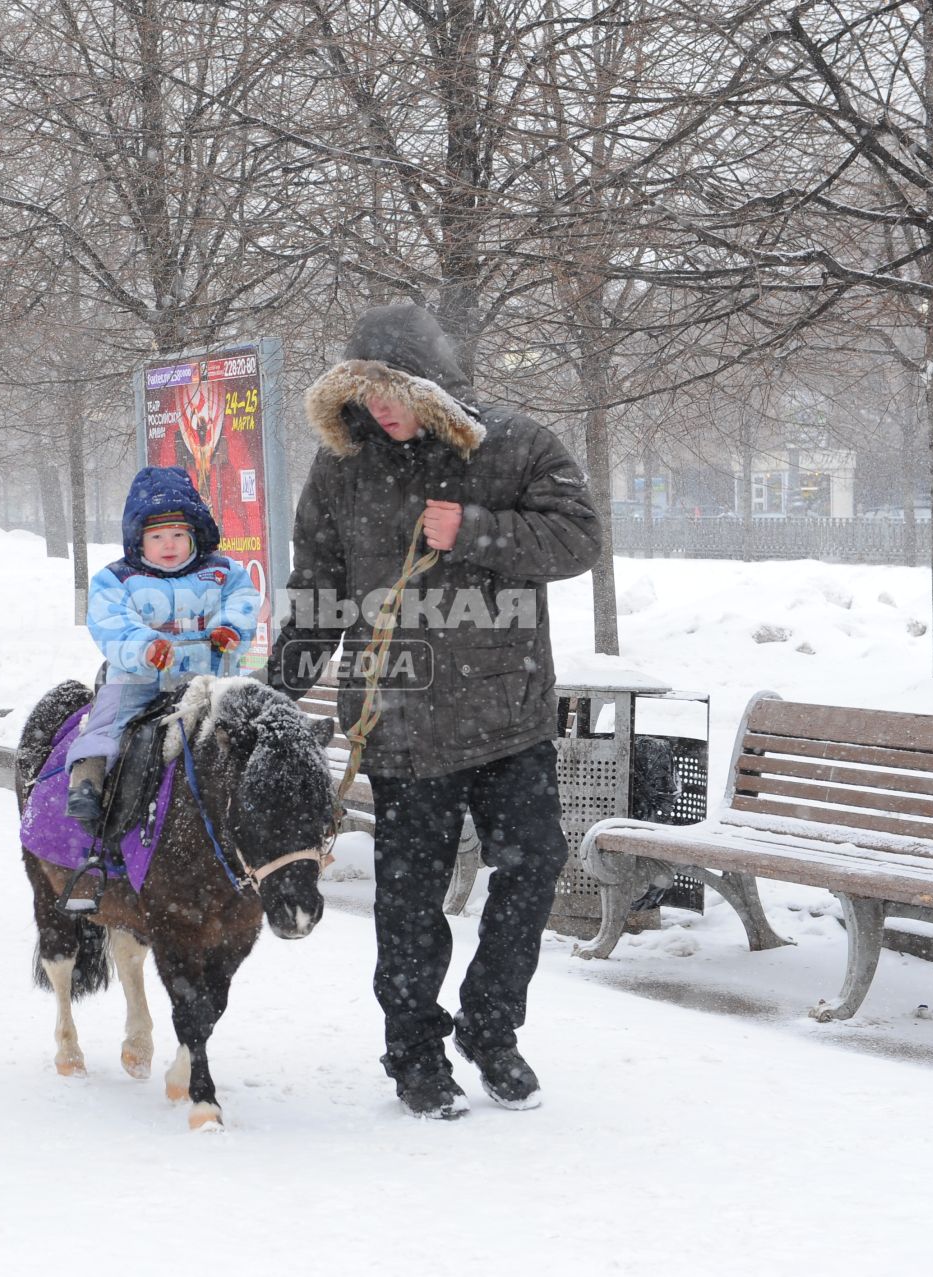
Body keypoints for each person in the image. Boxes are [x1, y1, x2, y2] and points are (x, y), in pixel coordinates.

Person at [264, 303, 601, 1119]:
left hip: (509, 717)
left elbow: (579, 538)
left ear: (432, 385)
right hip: (401, 722)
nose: (382, 410)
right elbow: (320, 592)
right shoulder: (340, 467)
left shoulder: (514, 444)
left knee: (532, 868)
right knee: (409, 901)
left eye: (396, 391)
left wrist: (477, 531)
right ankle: (415, 1050)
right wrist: (275, 688)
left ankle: (491, 1028)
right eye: (366, 393)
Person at [64, 466, 261, 831]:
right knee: (109, 719)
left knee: (255, 721)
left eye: (177, 534)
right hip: (140, 679)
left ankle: (272, 789)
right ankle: (88, 778)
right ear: (138, 540)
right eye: (157, 536)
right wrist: (145, 647)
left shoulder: (221, 572)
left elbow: (242, 600)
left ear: (194, 536)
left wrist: (229, 629)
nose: (168, 544)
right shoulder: (117, 578)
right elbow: (112, 622)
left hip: (212, 679)